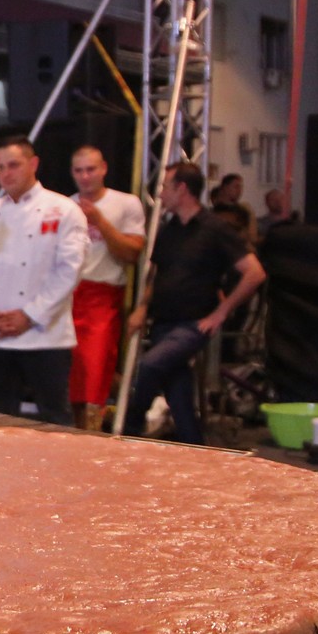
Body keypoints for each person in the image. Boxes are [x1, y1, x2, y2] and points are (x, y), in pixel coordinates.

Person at [124, 162, 267, 445]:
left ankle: (130, 429)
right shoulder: (169, 229)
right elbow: (158, 275)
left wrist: (221, 313)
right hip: (163, 321)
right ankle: (195, 447)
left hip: (193, 323)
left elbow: (254, 273)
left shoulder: (215, 228)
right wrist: (142, 308)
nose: (161, 193)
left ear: (182, 189)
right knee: (179, 396)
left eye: (165, 187)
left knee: (151, 366)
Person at [0, 136, 88, 425]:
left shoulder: (64, 210)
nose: (6, 173)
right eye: (1, 167)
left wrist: (30, 314)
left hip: (45, 335)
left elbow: (69, 272)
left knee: (54, 419)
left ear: (34, 164)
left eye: (13, 165)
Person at [68, 146, 147, 431]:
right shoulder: (66, 205)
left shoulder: (126, 203)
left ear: (103, 169)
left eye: (90, 169)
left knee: (96, 373)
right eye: (79, 171)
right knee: (70, 378)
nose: (85, 176)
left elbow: (132, 253)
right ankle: (72, 434)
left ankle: (93, 434)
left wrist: (100, 221)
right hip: (68, 297)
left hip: (103, 296)